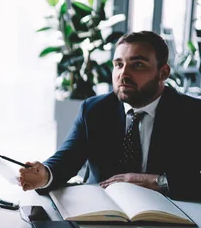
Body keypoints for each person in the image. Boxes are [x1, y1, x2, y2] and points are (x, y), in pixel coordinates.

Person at [19, 31, 201, 201]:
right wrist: (45, 174)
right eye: (118, 64)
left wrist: (159, 182)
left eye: (138, 64)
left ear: (163, 73)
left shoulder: (193, 113)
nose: (123, 73)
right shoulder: (94, 109)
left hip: (169, 217)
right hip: (101, 211)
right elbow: (67, 158)